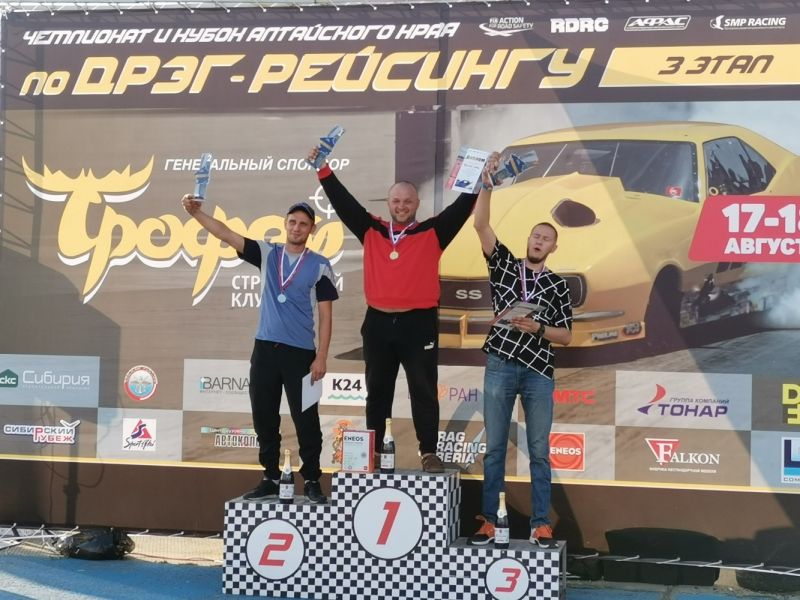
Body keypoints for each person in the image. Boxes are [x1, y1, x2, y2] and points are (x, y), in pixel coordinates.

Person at [307, 146, 478, 473]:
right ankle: (372, 452)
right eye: (396, 201)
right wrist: (322, 168)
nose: (402, 206)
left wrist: (481, 180)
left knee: (423, 390)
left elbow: (462, 206)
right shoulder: (371, 229)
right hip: (378, 323)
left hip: (419, 324)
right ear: (388, 203)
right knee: (377, 392)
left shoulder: (434, 231)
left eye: (407, 201)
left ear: (417, 204)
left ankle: (428, 452)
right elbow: (343, 202)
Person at [182, 195, 338, 503]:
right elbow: (226, 233)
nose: (297, 227)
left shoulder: (320, 265)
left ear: (312, 229)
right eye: (292, 222)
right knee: (264, 417)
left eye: (303, 224)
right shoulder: (268, 252)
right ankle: (270, 476)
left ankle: (311, 479)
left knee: (307, 420)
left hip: (301, 355)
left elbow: (326, 315)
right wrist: (196, 214)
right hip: (265, 350)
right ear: (285, 224)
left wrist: (321, 355)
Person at [467, 155, 573, 547]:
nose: (538, 241)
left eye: (545, 238)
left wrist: (539, 328)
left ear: (554, 247)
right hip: (500, 363)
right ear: (528, 240)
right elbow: (480, 225)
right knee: (495, 448)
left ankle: (541, 523)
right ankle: (490, 522)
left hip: (538, 371)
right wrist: (487, 185)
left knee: (539, 451)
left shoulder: (558, 285)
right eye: (534, 236)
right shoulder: (506, 266)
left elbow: (567, 336)